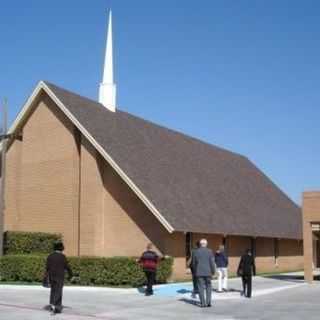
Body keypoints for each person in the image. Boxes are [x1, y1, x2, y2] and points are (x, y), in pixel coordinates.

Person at [44, 241, 73, 314]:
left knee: (53, 290)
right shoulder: (62, 256)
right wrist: (71, 275)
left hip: (51, 276)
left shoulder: (50, 256)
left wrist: (46, 277)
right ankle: (56, 305)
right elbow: (67, 267)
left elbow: (47, 268)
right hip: (60, 276)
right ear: (61, 248)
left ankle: (52, 304)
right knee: (59, 291)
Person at [192, 239, 215, 307]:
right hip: (208, 272)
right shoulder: (210, 251)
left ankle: (203, 303)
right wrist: (213, 271)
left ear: (200, 244)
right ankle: (208, 302)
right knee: (209, 287)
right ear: (206, 244)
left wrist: (195, 271)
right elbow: (212, 262)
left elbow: (193, 264)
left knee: (200, 288)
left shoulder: (195, 252)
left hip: (199, 272)